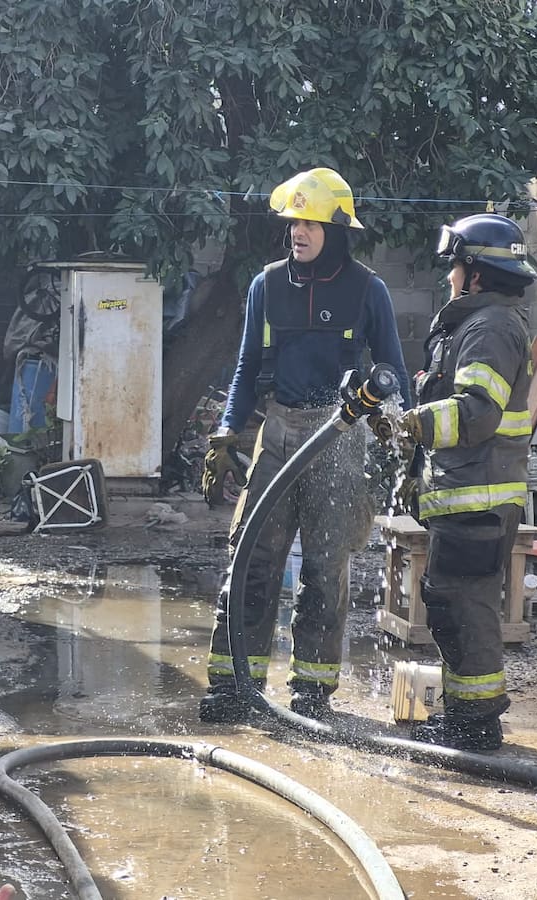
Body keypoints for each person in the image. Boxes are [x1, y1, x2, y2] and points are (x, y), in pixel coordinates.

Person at [199, 167, 410, 723]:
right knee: (251, 559)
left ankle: (311, 694)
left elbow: (394, 370)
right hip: (279, 429)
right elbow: (246, 367)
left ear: (335, 230)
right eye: (294, 222)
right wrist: (226, 432)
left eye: (311, 223)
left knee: (323, 567)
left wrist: (402, 441)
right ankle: (233, 684)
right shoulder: (266, 285)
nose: (298, 231)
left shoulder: (368, 289)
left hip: (341, 434)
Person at [395, 213, 537, 751]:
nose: (448, 276)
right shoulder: (478, 324)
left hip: (479, 499)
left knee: (466, 610)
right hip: (468, 494)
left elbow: (477, 413)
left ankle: (475, 725)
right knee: (453, 605)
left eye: (454, 266)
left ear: (475, 274)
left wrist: (414, 423)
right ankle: (466, 716)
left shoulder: (490, 327)